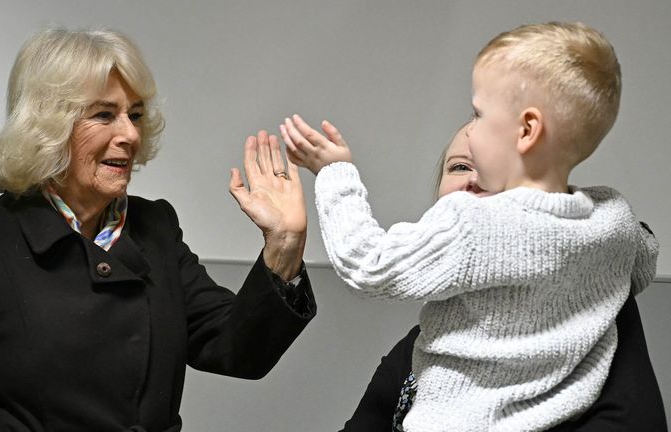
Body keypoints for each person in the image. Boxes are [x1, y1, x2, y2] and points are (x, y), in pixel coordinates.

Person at [0, 28, 315, 432]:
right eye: (104, 115)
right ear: (48, 125)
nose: (131, 134)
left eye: (135, 115)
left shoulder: (155, 226)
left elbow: (237, 350)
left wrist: (285, 242)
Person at [280, 21, 659, 431]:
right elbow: (642, 262)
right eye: (457, 167)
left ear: (527, 130)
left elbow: (367, 264)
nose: (470, 128)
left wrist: (335, 173)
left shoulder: (473, 227)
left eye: (479, 115)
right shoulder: (612, 218)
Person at [340, 124, 667, 432]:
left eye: (495, 166)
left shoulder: (592, 315)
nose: (473, 179)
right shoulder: (419, 346)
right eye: (459, 167)